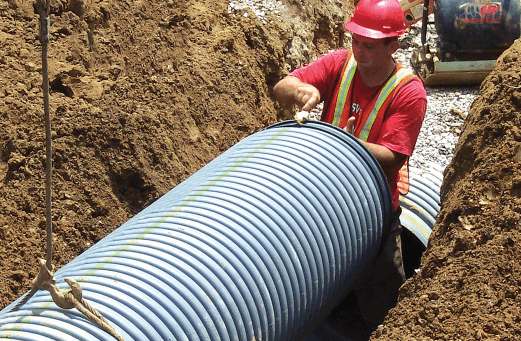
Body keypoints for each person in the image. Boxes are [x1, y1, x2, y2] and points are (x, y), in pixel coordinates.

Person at [272, 0, 427, 327]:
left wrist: (344, 146)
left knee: (383, 307)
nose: (359, 50)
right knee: (306, 289)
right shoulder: (340, 64)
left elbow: (394, 157)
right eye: (355, 40)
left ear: (393, 45)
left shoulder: (409, 92)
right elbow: (280, 87)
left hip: (373, 214)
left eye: (369, 45)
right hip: (324, 206)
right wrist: (301, 90)